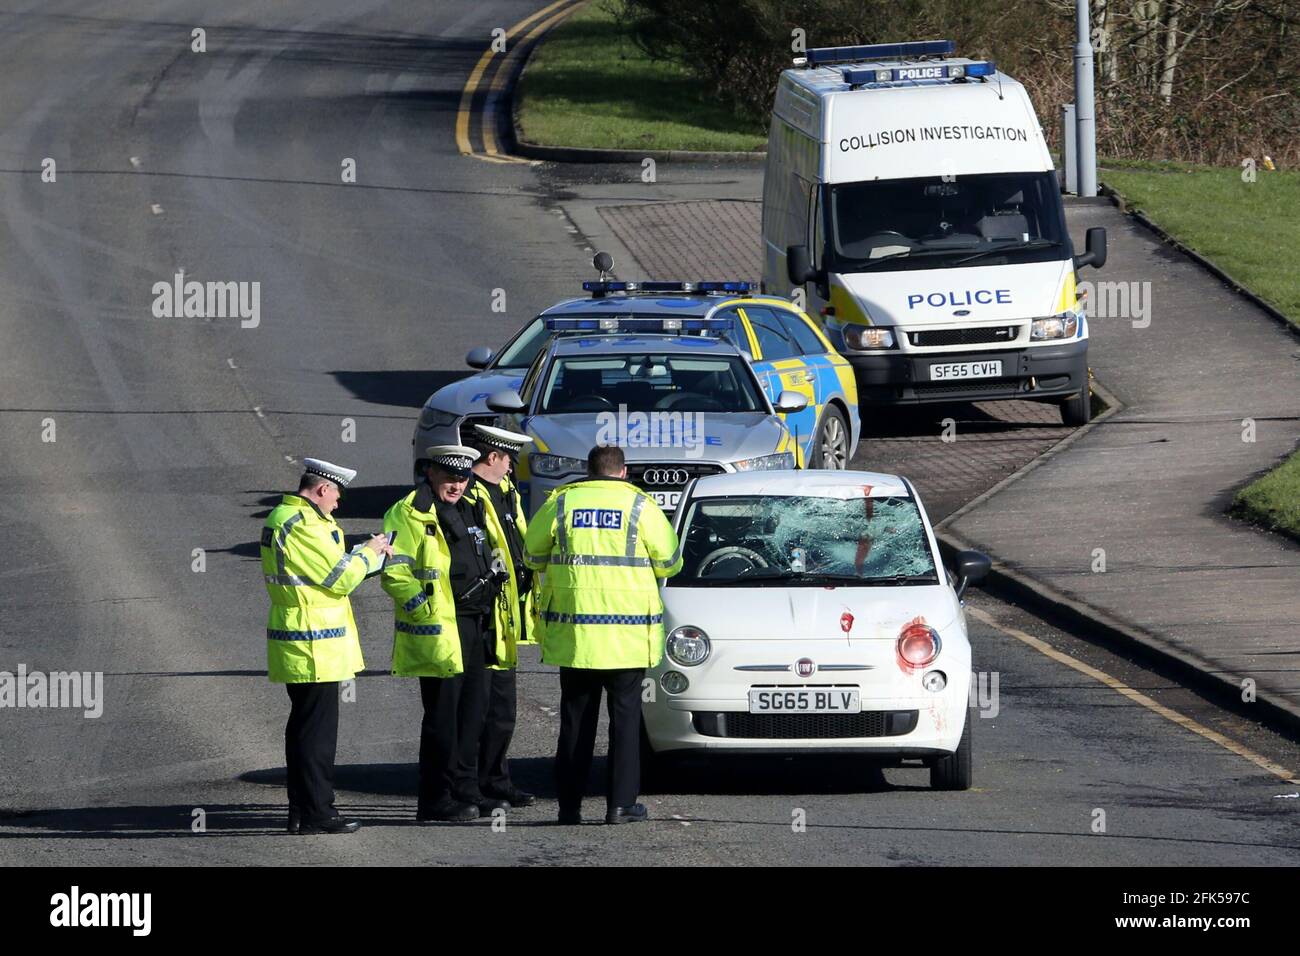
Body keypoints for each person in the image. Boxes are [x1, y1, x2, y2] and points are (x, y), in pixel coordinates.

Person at [523, 445, 683, 825]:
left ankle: (569, 806)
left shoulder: (561, 503)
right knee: (625, 723)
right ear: (623, 472)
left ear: (588, 472)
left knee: (575, 723)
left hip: (576, 637)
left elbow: (531, 554)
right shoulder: (641, 507)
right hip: (626, 639)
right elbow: (670, 562)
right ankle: (620, 805)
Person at [261, 458, 393, 835]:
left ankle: (302, 809)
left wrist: (357, 555)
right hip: (313, 642)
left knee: (304, 727)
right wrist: (370, 553)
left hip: (301, 637)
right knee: (316, 733)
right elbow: (340, 579)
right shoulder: (303, 524)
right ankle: (319, 810)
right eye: (337, 495)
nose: (338, 503)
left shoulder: (287, 517)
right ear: (321, 489)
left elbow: (323, 570)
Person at [382, 445, 510, 823]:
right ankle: (435, 798)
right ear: (431, 473)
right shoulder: (408, 511)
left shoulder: (472, 504)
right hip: (440, 627)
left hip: (477, 620)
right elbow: (394, 572)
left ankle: (466, 788)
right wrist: (424, 608)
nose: (457, 484)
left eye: (463, 477)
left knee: (474, 711)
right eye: (450, 477)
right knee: (442, 717)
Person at [464, 424, 538, 807]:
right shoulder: (471, 495)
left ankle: (496, 779)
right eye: (509, 458)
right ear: (492, 457)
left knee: (503, 708)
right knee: (482, 708)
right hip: (485, 614)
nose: (512, 467)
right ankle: (477, 784)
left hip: (506, 615)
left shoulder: (505, 491)